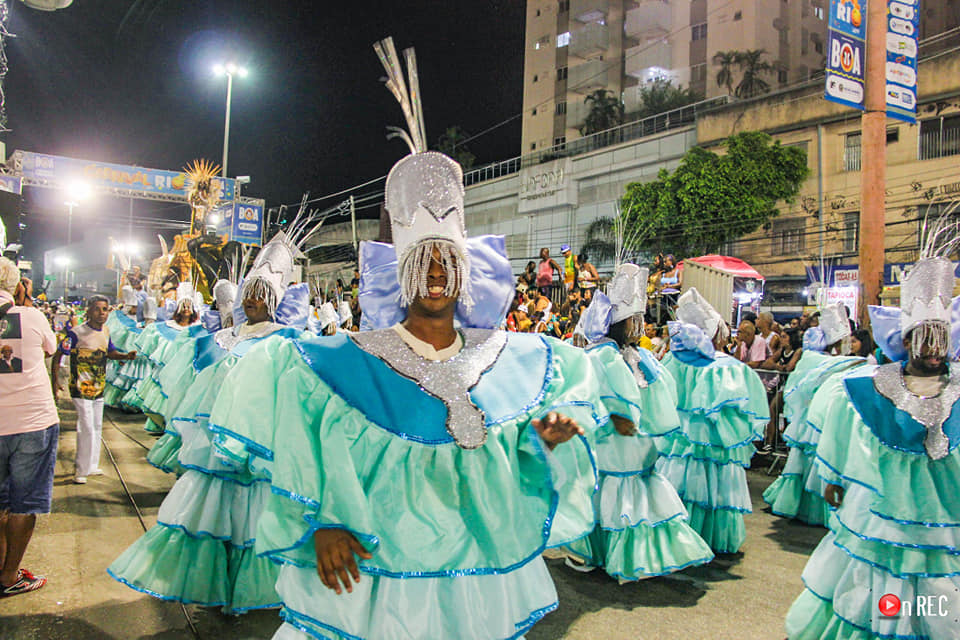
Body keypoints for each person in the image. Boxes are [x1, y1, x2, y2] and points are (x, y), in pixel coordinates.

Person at [113, 40, 615, 639]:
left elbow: (498, 478)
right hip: (371, 578)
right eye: (422, 262)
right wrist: (320, 523)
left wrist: (540, 442)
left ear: (466, 269)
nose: (434, 275)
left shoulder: (512, 361)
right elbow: (310, 451)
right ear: (398, 272)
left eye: (444, 262)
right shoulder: (336, 363)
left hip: (466, 583)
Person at [784, 245, 960, 640]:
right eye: (924, 338)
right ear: (908, 338)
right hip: (878, 513)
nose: (933, 350)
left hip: (945, 518)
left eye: (940, 338)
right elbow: (847, 437)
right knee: (871, 588)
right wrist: (834, 479)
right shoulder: (872, 387)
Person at [561, 264, 713, 580]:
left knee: (637, 486)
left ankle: (639, 554)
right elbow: (590, 393)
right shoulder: (601, 355)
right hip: (611, 438)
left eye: (641, 319)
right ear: (617, 323)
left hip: (636, 438)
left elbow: (656, 392)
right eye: (634, 319)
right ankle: (603, 550)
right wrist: (613, 416)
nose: (640, 326)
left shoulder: (637, 356)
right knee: (613, 487)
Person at [655, 288, 769, 553]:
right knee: (710, 482)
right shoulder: (724, 365)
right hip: (713, 437)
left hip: (680, 435)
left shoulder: (675, 359)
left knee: (683, 478)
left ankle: (678, 532)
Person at [762, 303, 864, 526]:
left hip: (814, 418)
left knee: (811, 457)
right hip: (817, 418)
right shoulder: (827, 362)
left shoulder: (819, 360)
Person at [0, 257, 59, 597]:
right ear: (17, 285)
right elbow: (50, 349)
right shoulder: (32, 316)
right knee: (24, 503)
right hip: (32, 422)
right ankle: (10, 576)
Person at [52, 295, 136, 483]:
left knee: (97, 426)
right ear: (88, 311)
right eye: (97, 309)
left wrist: (126, 356)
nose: (101, 313)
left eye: (105, 309)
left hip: (99, 387)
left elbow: (110, 352)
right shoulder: (76, 333)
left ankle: (91, 465)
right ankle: (80, 470)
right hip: (80, 388)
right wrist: (55, 381)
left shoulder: (106, 331)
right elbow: (58, 355)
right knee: (86, 426)